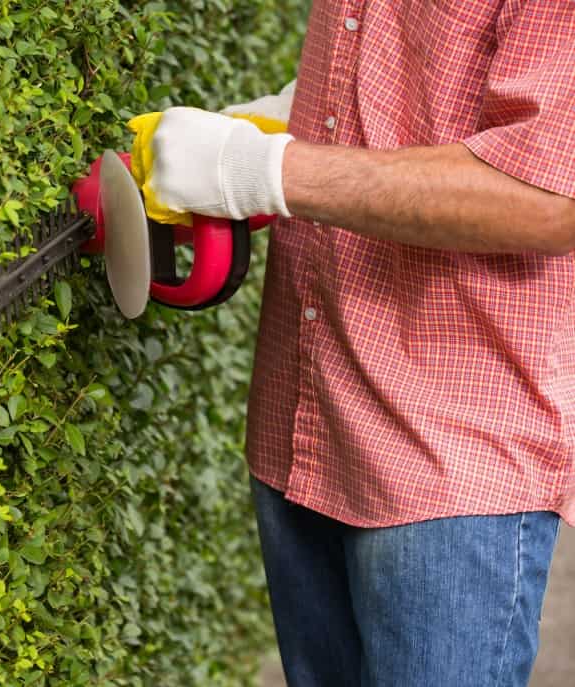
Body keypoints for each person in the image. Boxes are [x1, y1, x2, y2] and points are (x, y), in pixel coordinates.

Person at [132, 2, 575, 686]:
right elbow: (408, 78)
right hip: (301, 423)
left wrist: (259, 168)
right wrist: (292, 115)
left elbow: (547, 194)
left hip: (446, 462)